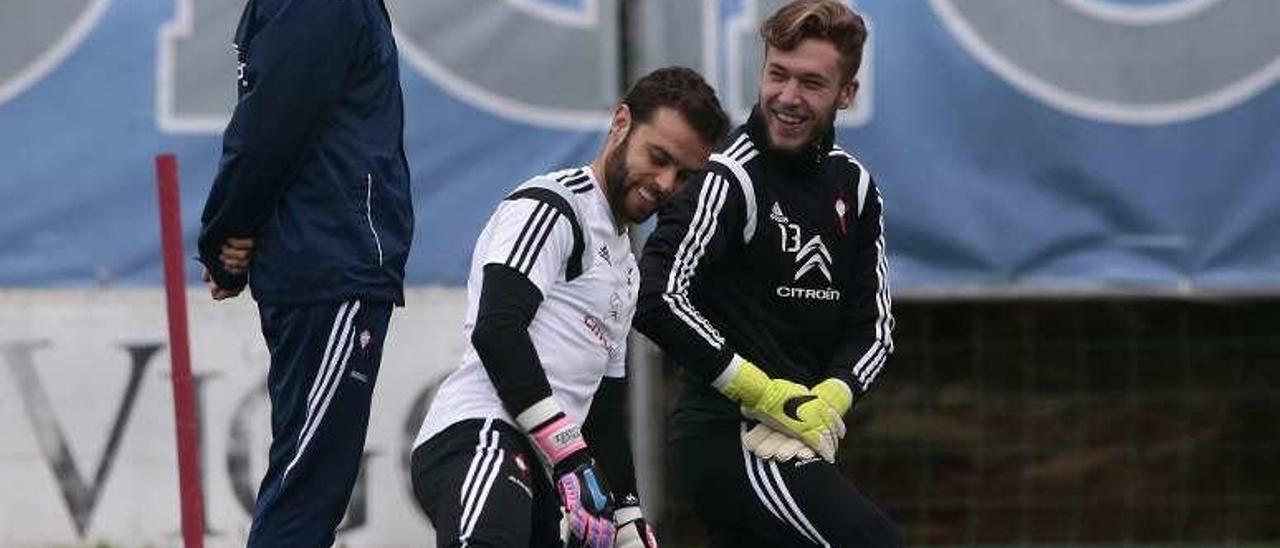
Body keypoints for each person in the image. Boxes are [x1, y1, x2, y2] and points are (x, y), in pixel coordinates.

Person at [410, 66, 728, 548]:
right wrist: (567, 448)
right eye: (658, 157)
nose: (665, 183)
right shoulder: (553, 207)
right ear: (620, 122)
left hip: (551, 471)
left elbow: (603, 406)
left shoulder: (626, 267)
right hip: (484, 436)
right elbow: (498, 329)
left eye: (684, 175)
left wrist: (628, 515)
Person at [635, 1, 899, 546]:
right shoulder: (729, 176)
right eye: (777, 75)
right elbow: (655, 295)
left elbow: (874, 328)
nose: (787, 98)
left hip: (798, 437)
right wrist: (759, 390)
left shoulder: (855, 186)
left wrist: (830, 397)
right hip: (731, 437)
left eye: (811, 83)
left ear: (846, 93)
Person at [196, 0, 413, 545]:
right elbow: (272, 127)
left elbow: (275, 124)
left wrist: (236, 229)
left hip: (322, 257)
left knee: (308, 482)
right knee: (306, 490)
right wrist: (227, 230)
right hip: (333, 259)